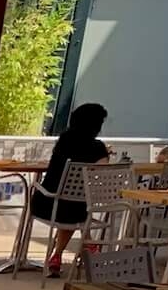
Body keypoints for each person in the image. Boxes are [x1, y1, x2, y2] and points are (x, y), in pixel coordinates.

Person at [34, 102, 111, 277]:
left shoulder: (63, 140)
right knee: (76, 207)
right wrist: (105, 154)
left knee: (71, 206)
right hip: (73, 208)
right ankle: (87, 242)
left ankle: (61, 253)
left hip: (46, 203)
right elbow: (103, 171)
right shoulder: (98, 147)